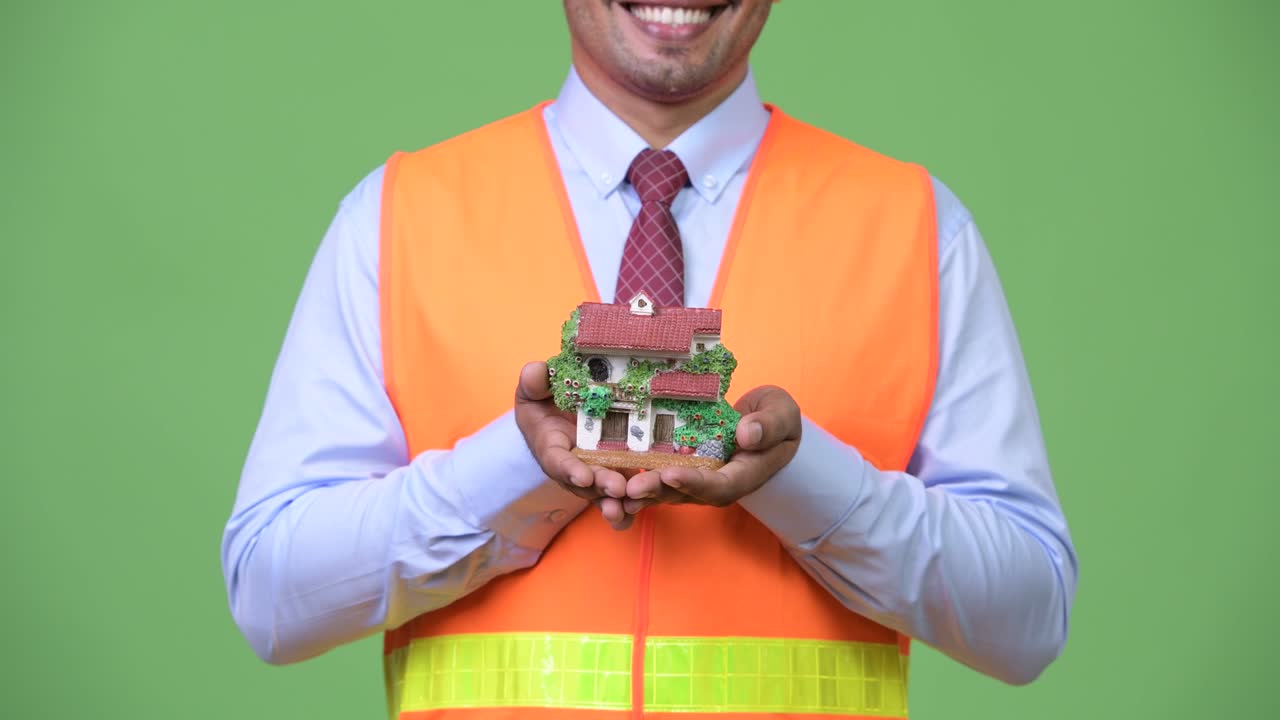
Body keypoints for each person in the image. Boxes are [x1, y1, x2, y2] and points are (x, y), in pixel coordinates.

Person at [222, 1, 1077, 717]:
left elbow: (1029, 619)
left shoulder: (917, 230)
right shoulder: (396, 218)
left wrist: (803, 478)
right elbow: (270, 595)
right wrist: (510, 471)